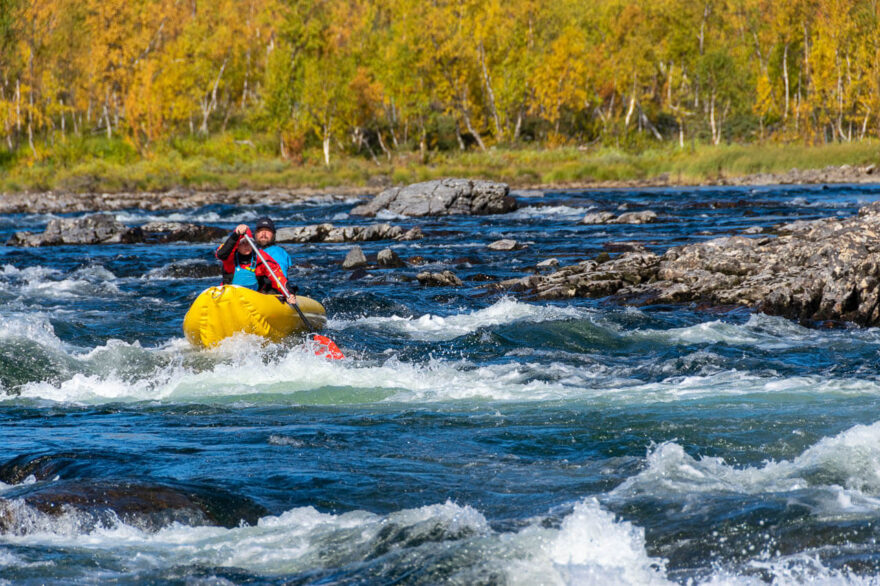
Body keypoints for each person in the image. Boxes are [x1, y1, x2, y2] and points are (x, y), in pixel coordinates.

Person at [215, 219, 296, 304]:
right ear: (237, 246)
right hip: (229, 298)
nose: (246, 246)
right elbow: (221, 254)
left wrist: (289, 293)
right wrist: (236, 235)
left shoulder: (260, 256)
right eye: (242, 243)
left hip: (254, 299)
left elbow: (278, 276)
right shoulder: (229, 257)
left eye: (248, 242)